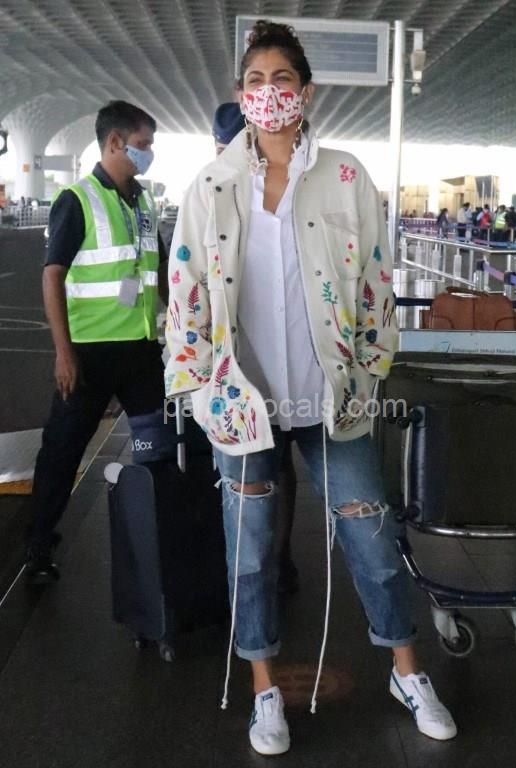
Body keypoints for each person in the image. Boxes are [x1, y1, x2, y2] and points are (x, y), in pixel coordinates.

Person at [165, 19, 456, 757]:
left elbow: (376, 282)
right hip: (243, 405)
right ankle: (264, 687)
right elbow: (186, 291)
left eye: (282, 80)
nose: (269, 94)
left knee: (372, 536)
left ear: (306, 92)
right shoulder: (212, 185)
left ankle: (407, 671)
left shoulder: (346, 177)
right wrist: (197, 386)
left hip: (332, 400)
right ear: (241, 95)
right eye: (255, 82)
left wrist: (371, 368)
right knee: (250, 552)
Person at [25, 100, 169, 584]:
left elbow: (158, 269)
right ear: (114, 143)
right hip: (89, 355)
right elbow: (52, 275)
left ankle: (157, 541)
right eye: (143, 144)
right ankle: (38, 545)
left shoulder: (144, 202)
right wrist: (63, 353)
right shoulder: (78, 198)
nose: (149, 153)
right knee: (63, 451)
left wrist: (180, 321)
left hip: (142, 352)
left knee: (154, 448)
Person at [212, 101, 299, 594]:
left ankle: (275, 560)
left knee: (270, 467)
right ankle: (254, 569)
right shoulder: (211, 191)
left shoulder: (281, 192)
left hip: (277, 362)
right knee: (245, 473)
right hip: (232, 364)